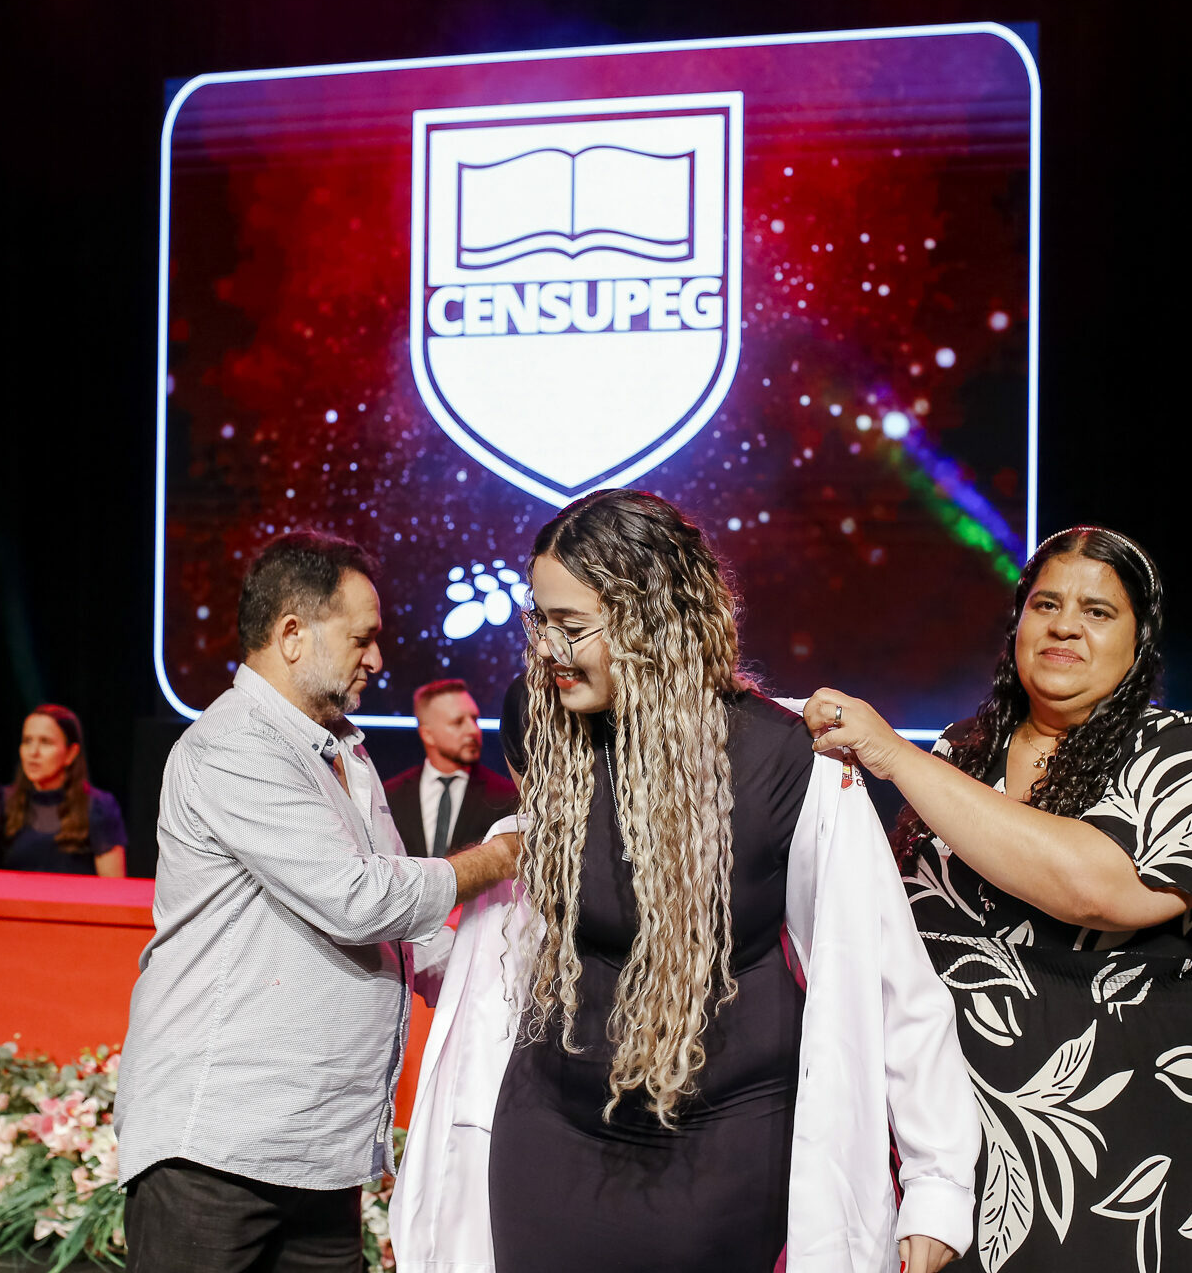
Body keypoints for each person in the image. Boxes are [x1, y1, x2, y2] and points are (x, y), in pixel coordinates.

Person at [393, 490, 980, 1273]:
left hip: (724, 1136)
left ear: (652, 619)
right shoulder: (542, 726)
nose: (549, 650)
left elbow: (885, 974)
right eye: (540, 621)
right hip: (551, 1122)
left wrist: (938, 1181)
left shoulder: (780, 761)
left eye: (572, 626)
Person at [804, 526, 1192, 1273]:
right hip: (954, 1136)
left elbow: (1097, 891)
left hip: (1134, 1130)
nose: (1064, 626)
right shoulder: (960, 753)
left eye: (1097, 611)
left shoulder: (1191, 753)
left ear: (1140, 640)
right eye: (1046, 605)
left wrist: (893, 754)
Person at [112, 531, 518, 1273]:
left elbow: (405, 933)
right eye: (362, 638)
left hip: (318, 1154)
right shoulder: (234, 745)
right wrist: (502, 857)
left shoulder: (344, 751)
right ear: (292, 634)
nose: (378, 659)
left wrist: (504, 979)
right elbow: (359, 901)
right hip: (218, 1152)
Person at [0, 705, 128, 877]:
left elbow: (113, 885)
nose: (33, 752)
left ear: (70, 753)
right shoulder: (5, 800)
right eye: (27, 741)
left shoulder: (98, 806)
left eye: (46, 742)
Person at [385, 678, 519, 859]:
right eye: (458, 722)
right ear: (428, 734)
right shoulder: (390, 796)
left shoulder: (507, 796)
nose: (473, 730)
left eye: (474, 719)